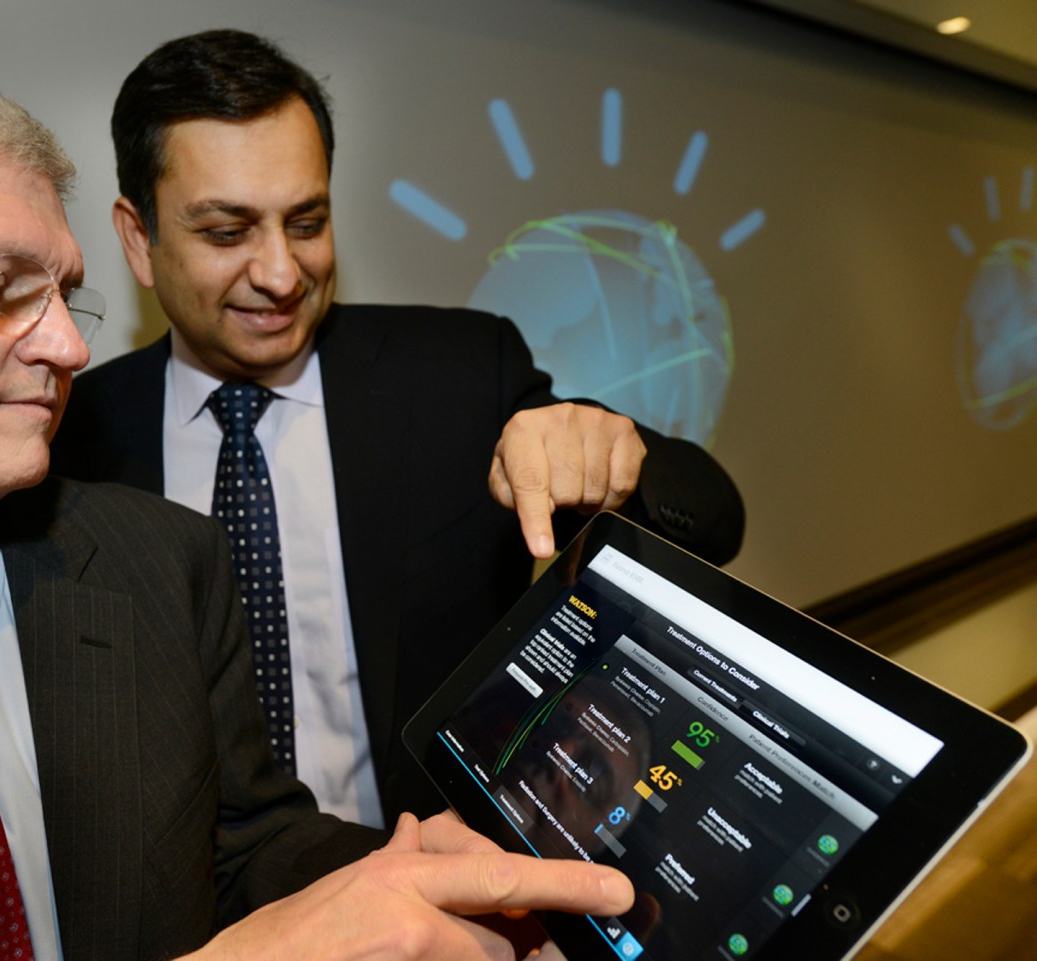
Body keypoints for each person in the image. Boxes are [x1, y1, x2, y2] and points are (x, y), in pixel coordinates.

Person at [0, 63, 636, 961]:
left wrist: (426, 880)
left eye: (64, 294)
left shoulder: (155, 559)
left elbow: (240, 846)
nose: (69, 346)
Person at [48, 29, 746, 828]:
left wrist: (623, 461)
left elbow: (715, 520)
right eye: (227, 232)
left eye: (306, 222)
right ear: (140, 239)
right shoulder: (74, 435)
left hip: (447, 897)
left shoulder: (459, 372)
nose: (281, 273)